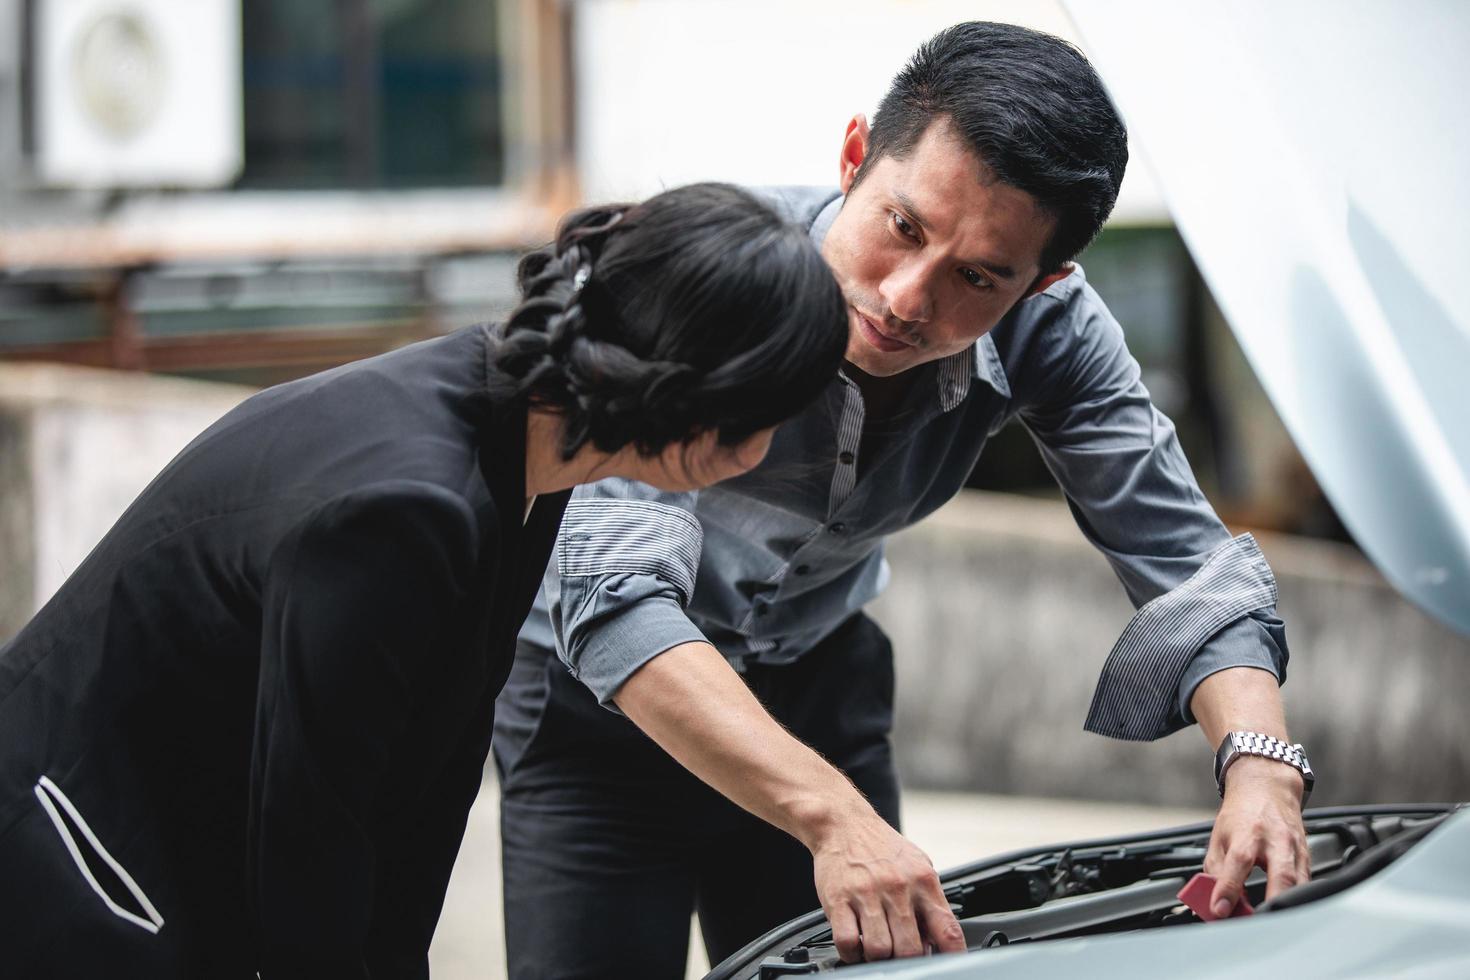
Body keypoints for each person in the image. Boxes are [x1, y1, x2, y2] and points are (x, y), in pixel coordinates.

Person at [496, 21, 1311, 978]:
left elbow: (1193, 571)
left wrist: (1260, 763)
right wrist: (836, 817)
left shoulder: (1056, 331)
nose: (907, 300)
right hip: (603, 715)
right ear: (854, 159)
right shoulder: (694, 273)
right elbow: (615, 598)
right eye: (903, 228)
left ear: (1044, 280)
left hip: (819, 685)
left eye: (978, 277)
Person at [0, 182, 849, 979]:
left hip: (176, 846)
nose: (762, 454)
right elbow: (313, 843)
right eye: (766, 415)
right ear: (699, 389)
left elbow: (417, 792)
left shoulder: (530, 434)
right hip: (85, 862)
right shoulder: (407, 509)